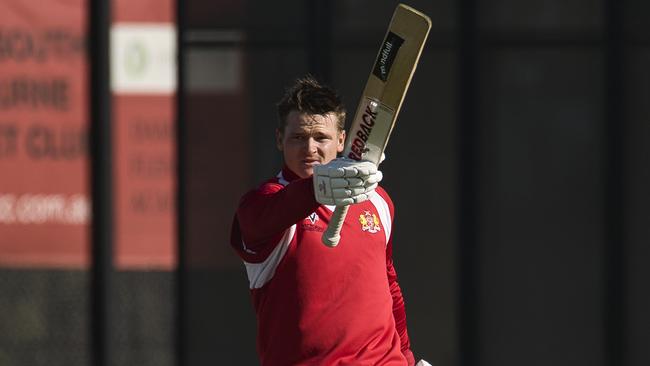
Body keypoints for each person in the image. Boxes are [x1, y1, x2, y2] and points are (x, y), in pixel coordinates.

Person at [230, 76, 416, 365]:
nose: (310, 148)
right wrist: (322, 185)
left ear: (342, 140)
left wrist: (408, 357)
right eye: (298, 138)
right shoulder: (264, 203)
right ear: (279, 139)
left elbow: (389, 285)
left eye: (321, 137)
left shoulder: (378, 201)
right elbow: (263, 219)